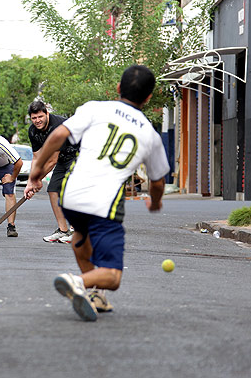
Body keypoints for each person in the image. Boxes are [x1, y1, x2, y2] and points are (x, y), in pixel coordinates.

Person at [25, 65, 170, 321]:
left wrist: (36, 170)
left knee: (81, 235)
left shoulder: (94, 108)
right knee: (113, 276)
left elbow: (59, 135)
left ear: (118, 89)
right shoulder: (150, 134)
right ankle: (77, 281)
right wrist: (156, 203)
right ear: (148, 98)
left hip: (70, 195)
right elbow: (158, 181)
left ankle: (95, 295)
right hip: (104, 203)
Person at [27, 101, 79, 244]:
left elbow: (51, 161)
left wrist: (36, 180)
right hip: (63, 159)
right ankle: (63, 230)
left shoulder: (57, 126)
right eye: (34, 118)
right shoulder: (33, 131)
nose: (37, 121)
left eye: (40, 117)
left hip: (80, 155)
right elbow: (36, 158)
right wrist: (30, 182)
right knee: (53, 190)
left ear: (47, 114)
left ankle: (76, 231)